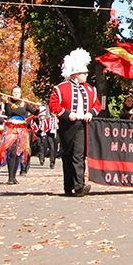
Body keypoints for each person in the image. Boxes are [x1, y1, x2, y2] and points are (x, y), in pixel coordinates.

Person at [48, 48, 101, 197]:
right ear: (76, 74)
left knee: (78, 155)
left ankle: (79, 186)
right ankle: (68, 187)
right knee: (68, 155)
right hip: (66, 125)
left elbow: (97, 105)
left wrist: (90, 113)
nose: (86, 75)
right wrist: (66, 114)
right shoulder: (60, 88)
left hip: (82, 126)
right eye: (84, 73)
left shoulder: (91, 89)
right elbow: (53, 104)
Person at [0, 86, 38, 184]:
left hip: (21, 129)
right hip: (11, 129)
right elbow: (8, 113)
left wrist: (38, 107)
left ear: (21, 94)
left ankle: (14, 176)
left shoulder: (24, 103)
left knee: (17, 153)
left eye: (18, 93)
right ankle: (10, 177)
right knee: (11, 151)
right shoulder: (8, 102)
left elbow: (34, 112)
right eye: (14, 92)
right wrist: (6, 102)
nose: (15, 94)